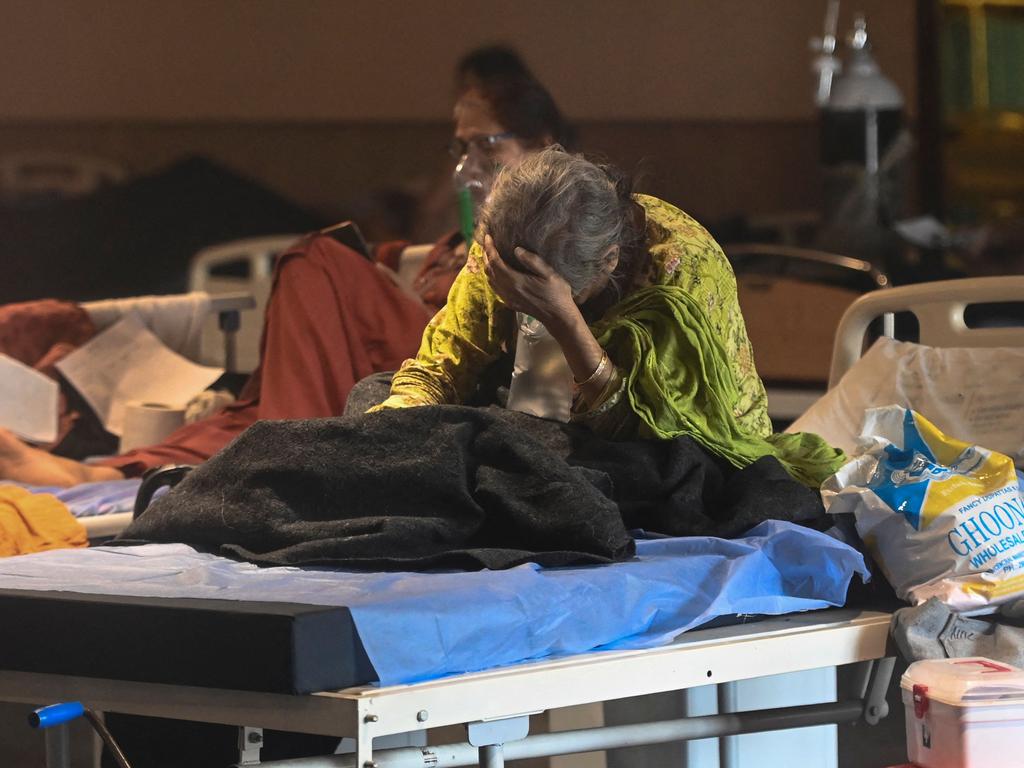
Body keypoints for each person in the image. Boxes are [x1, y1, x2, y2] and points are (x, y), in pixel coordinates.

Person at [0, 47, 571, 488]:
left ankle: (282, 463)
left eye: (487, 147)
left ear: (541, 143)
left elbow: (534, 363)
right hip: (399, 365)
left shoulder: (549, 228)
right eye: (459, 149)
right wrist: (386, 266)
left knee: (315, 258)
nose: (468, 167)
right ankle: (97, 475)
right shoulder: (458, 237)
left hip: (445, 371)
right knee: (249, 411)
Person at [371, 147, 845, 486]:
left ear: (610, 260)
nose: (524, 302)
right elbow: (445, 362)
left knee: (656, 478)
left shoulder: (680, 266)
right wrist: (398, 423)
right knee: (376, 395)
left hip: (664, 440)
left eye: (548, 295)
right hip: (533, 420)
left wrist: (564, 321)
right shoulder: (506, 242)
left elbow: (663, 431)